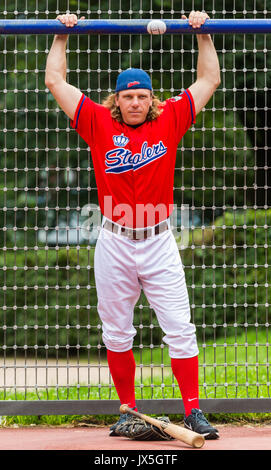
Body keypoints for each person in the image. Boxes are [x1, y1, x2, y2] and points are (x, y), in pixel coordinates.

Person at [45, 11, 221, 440]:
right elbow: (55, 80)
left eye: (143, 96)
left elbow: (209, 80)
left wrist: (205, 34)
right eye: (128, 97)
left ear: (152, 99)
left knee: (180, 327)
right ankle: (128, 410)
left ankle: (194, 411)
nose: (136, 103)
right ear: (117, 101)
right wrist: (60, 34)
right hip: (115, 240)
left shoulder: (170, 119)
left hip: (159, 239)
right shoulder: (97, 122)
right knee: (117, 329)